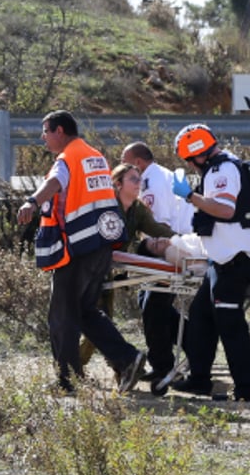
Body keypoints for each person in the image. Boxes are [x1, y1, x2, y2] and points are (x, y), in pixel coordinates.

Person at [17, 110, 146, 394]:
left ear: (60, 131)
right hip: (99, 246)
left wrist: (31, 202)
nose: (43, 137)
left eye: (46, 131)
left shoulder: (68, 158)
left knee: (62, 316)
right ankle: (128, 358)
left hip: (76, 248)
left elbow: (55, 183)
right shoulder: (95, 156)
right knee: (86, 312)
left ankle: (67, 381)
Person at [168, 124, 250, 401]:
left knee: (230, 324)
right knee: (201, 317)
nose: (190, 167)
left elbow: (225, 209)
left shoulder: (220, 171)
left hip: (233, 260)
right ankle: (199, 380)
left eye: (189, 161)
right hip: (225, 258)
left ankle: (248, 390)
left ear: (197, 156)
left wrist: (190, 196)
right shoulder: (231, 166)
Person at [109, 162, 186, 393]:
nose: (139, 184)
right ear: (118, 184)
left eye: (139, 179)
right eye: (133, 179)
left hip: (114, 264)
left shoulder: (138, 209)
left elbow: (158, 230)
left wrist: (186, 243)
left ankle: (131, 367)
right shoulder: (107, 207)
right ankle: (113, 367)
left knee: (151, 308)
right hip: (97, 265)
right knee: (93, 318)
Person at [121, 141, 194, 234]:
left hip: (175, 243)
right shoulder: (158, 174)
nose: (122, 167)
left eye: (124, 162)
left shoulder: (152, 183)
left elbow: (160, 225)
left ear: (138, 162)